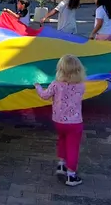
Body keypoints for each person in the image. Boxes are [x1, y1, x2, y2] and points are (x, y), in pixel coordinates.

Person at [34, 54, 86, 187]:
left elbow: (44, 96)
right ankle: (71, 175)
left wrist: (38, 87)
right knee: (72, 147)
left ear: (60, 70)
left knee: (62, 141)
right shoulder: (81, 86)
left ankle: (62, 165)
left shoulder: (55, 85)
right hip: (74, 124)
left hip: (58, 122)